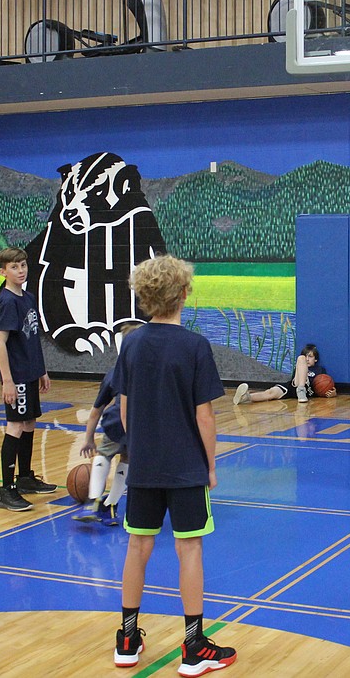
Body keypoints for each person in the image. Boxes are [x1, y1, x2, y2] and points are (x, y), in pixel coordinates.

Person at [111, 255, 236, 674]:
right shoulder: (195, 346)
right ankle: (194, 646)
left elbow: (124, 411)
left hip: (143, 466)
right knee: (190, 549)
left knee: (138, 546)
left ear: (144, 297)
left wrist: (141, 448)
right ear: (184, 293)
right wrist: (211, 466)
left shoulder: (131, 343)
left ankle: (127, 639)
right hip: (185, 468)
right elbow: (205, 416)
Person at [0, 246, 56, 512]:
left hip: (29, 371)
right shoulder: (7, 301)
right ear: (3, 271)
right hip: (16, 374)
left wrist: (40, 369)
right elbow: (0, 343)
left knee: (29, 421)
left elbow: (31, 337)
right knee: (15, 425)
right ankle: (6, 491)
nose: (20, 271)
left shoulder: (27, 297)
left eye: (23, 265)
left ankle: (26, 477)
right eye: (14, 267)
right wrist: (7, 380)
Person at [73, 322, 143, 526]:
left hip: (115, 426)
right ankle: (111, 506)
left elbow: (96, 410)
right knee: (126, 462)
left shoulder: (114, 373)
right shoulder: (151, 372)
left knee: (103, 455)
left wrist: (88, 439)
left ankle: (93, 502)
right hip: (136, 428)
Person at [232, 343, 335, 405]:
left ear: (316, 359)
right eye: (306, 356)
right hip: (294, 385)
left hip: (308, 390)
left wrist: (332, 393)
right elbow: (296, 376)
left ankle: (301, 391)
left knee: (271, 394)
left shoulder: (320, 370)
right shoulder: (301, 363)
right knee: (270, 393)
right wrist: (302, 362)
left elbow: (324, 386)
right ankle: (246, 397)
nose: (307, 359)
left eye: (310, 356)